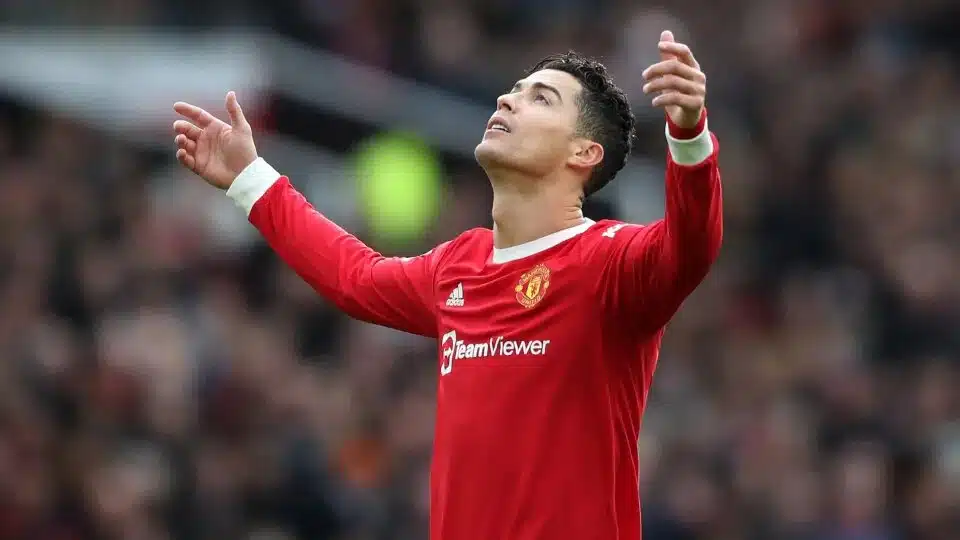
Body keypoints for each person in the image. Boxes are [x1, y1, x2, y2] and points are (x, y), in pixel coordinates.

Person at [173, 30, 722, 540]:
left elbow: (691, 245)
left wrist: (689, 135)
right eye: (514, 90)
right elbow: (354, 277)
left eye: (541, 98)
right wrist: (250, 178)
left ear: (583, 152)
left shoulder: (610, 262)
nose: (508, 100)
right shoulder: (459, 265)